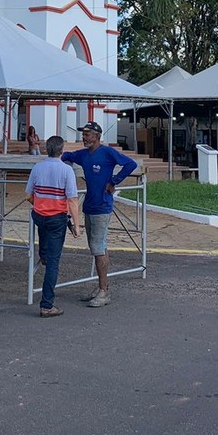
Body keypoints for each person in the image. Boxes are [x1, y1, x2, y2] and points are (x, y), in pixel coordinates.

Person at [63, 121, 137, 307]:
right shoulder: (84, 154)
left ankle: (104, 291)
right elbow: (68, 155)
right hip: (89, 205)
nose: (84, 137)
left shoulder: (107, 152)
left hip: (102, 206)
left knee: (98, 248)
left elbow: (130, 164)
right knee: (97, 247)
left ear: (97, 135)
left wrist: (114, 181)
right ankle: (102, 286)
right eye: (84, 133)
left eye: (87, 134)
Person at [25, 135, 81, 318]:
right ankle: (47, 304)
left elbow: (28, 195)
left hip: (39, 215)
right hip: (57, 217)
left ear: (46, 149)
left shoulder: (37, 167)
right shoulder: (66, 170)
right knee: (54, 263)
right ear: (62, 151)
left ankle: (43, 255)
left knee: (45, 239)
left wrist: (40, 203)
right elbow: (72, 200)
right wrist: (77, 225)